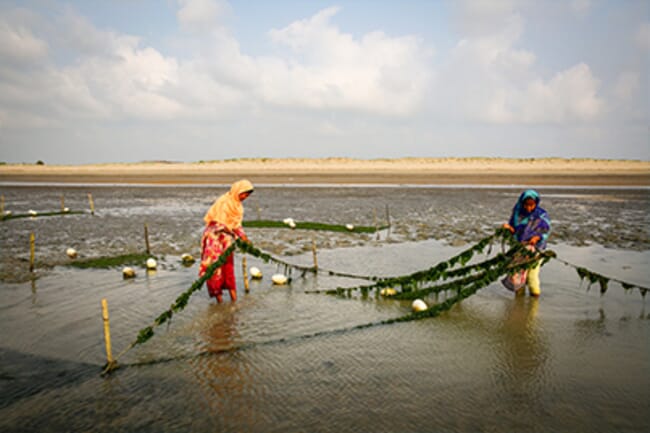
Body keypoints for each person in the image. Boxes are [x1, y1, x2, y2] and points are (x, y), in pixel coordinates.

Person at [199, 179, 254, 303]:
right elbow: (218, 223)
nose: (245, 197)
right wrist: (236, 234)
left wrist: (244, 237)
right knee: (215, 269)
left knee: (228, 267)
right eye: (244, 193)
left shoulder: (238, 206)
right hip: (214, 239)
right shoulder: (224, 202)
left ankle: (234, 300)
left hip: (227, 239)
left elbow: (236, 225)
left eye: (248, 195)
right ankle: (219, 300)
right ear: (238, 191)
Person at [501, 189, 551, 297]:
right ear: (522, 203)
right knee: (518, 278)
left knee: (532, 277)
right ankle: (520, 307)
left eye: (531, 205)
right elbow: (513, 229)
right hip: (519, 249)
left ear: (536, 203)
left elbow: (545, 231)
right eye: (526, 205)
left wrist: (537, 237)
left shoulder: (541, 215)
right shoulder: (517, 213)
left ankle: (534, 302)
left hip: (536, 249)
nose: (529, 208)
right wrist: (508, 227)